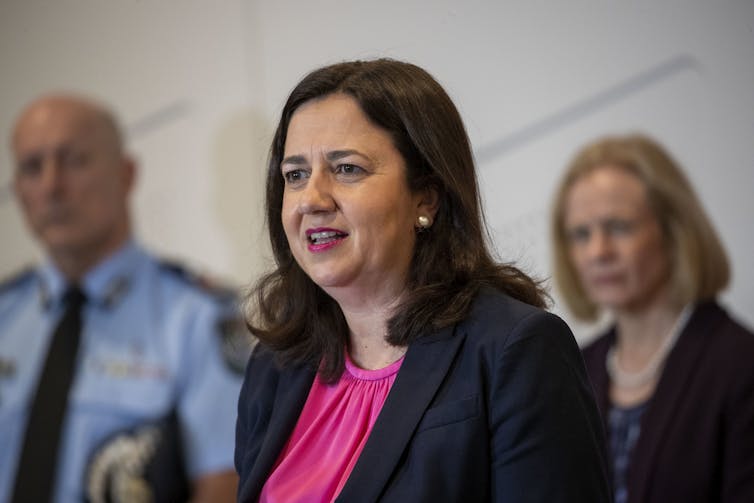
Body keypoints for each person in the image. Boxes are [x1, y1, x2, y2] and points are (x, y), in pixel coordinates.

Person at [234, 58, 611, 502]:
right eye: (295, 175)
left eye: (346, 168)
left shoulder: (517, 350)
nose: (311, 199)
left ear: (427, 197)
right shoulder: (273, 367)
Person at [0, 94, 250, 502]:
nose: (51, 186)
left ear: (126, 174)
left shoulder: (197, 318)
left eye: (74, 160)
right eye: (31, 168)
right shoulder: (5, 317)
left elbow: (223, 485)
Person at [550, 133, 754, 503]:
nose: (598, 251)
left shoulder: (739, 362)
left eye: (618, 227)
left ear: (674, 231)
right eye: (581, 234)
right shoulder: (576, 367)